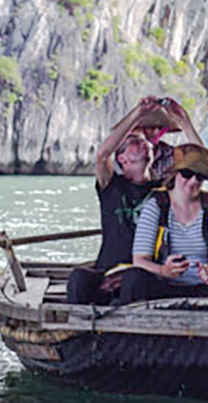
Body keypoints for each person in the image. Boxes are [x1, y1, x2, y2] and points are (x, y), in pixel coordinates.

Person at [64, 96, 186, 305]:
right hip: (107, 273)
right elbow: (103, 154)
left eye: (145, 142)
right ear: (122, 159)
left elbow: (200, 167)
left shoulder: (164, 190)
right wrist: (138, 114)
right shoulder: (112, 186)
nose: (143, 143)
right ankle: (79, 329)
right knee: (78, 278)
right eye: (134, 142)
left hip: (144, 276)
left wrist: (183, 121)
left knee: (134, 279)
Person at [114, 143, 208, 303]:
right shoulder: (156, 206)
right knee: (134, 279)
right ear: (175, 174)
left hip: (207, 290)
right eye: (187, 173)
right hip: (165, 288)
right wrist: (164, 270)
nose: (193, 181)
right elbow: (140, 260)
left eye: (200, 176)